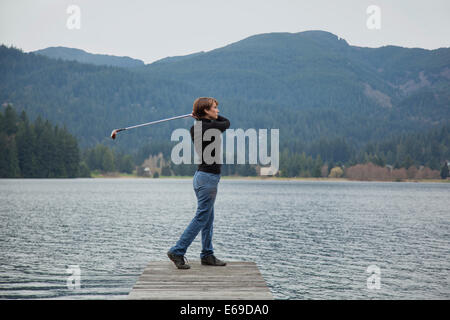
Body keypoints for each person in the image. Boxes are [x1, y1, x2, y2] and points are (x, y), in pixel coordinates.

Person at [167, 97, 230, 269]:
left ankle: (207, 254)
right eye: (215, 108)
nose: (217, 111)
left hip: (201, 177)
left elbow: (219, 122)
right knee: (202, 217)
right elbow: (226, 123)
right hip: (208, 178)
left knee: (208, 217)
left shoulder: (195, 127)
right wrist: (204, 116)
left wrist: (200, 116)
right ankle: (177, 251)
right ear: (206, 111)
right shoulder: (211, 127)